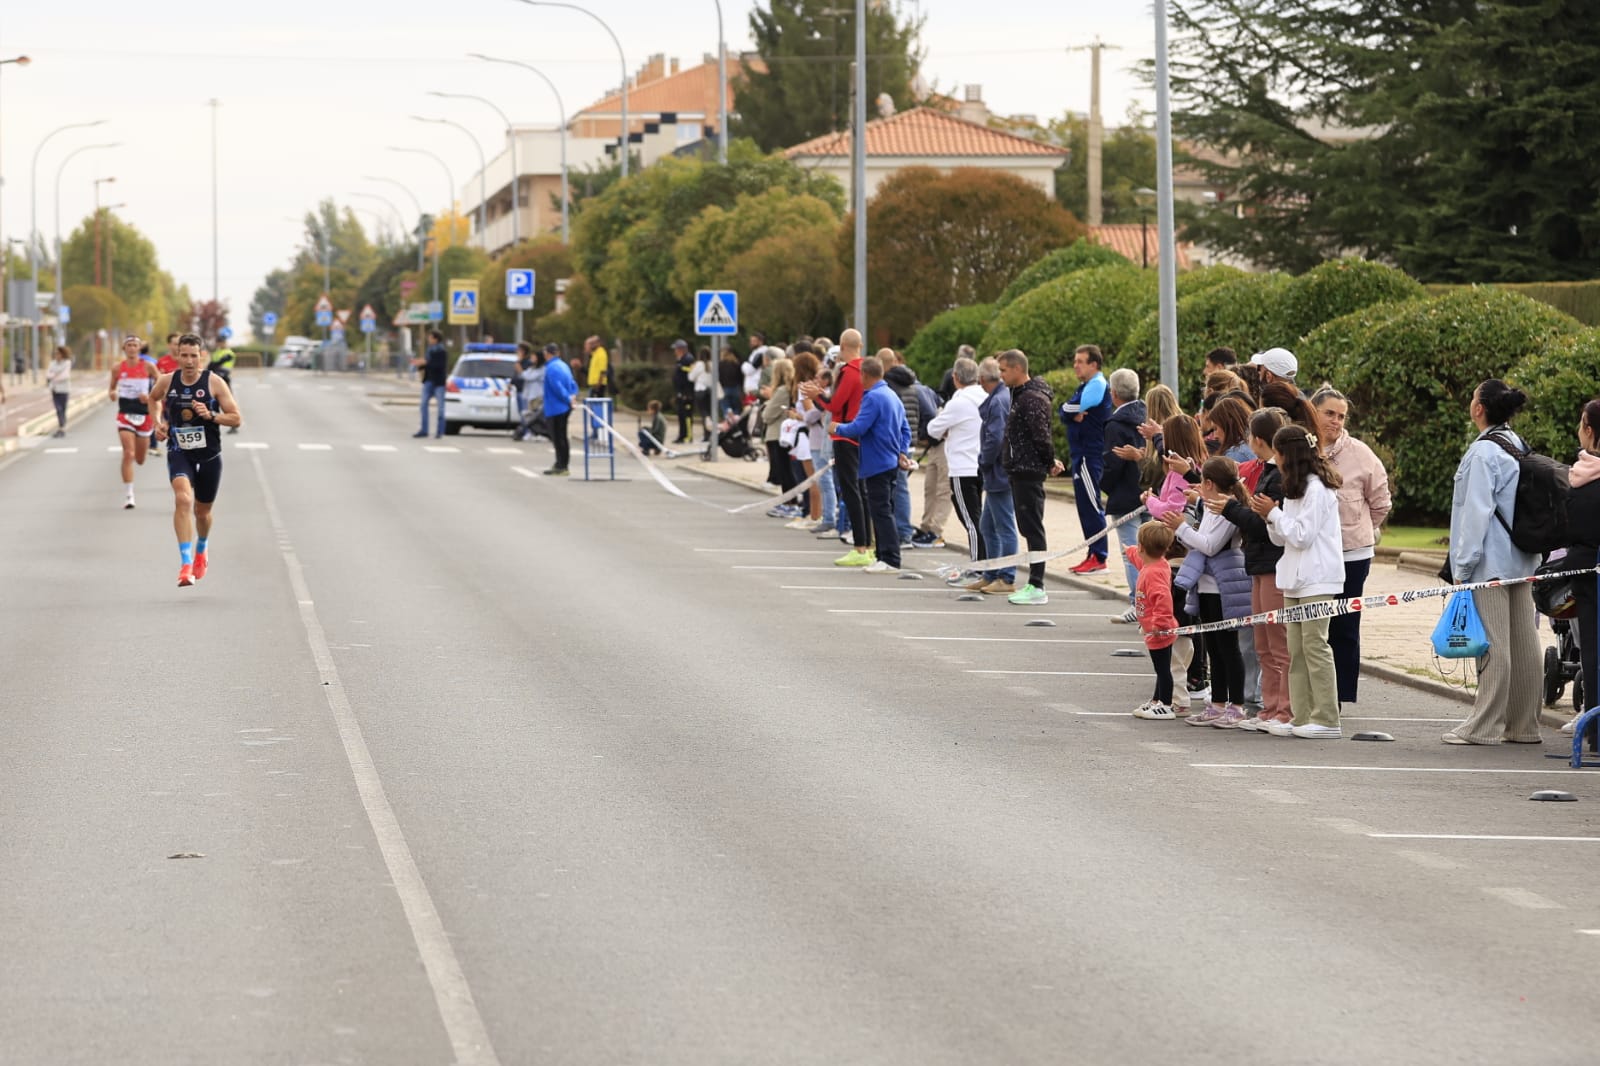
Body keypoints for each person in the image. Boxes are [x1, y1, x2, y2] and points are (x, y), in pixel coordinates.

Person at [1442, 380, 1542, 745]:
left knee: (1493, 643)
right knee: (1524, 641)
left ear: (1479, 408)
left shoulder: (1483, 452)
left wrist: (1462, 568)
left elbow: (1475, 515)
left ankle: (1484, 726)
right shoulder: (1517, 443)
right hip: (1522, 558)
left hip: (1490, 563)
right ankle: (1524, 725)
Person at [1253, 424, 1345, 739]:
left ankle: (1327, 718)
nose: (1274, 460)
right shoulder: (1295, 488)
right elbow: (1282, 539)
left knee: (1315, 646)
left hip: (1317, 579)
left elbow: (1303, 536)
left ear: (1287, 454)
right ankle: (1302, 715)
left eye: (1277, 453)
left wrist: (1274, 515)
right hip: (1294, 579)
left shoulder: (1317, 489)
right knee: (1296, 649)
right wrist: (1270, 517)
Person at [1311, 384, 1392, 709]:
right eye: (1329, 413)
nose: (1335, 421)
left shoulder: (1360, 454)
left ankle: (1340, 696)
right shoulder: (1301, 448)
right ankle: (1313, 693)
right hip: (1312, 553)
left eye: (1341, 416)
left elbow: (1381, 502)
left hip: (1352, 555)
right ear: (1313, 412)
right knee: (1314, 625)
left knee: (1344, 626)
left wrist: (1360, 530)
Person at [1164, 456, 1252, 728]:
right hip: (1206, 585)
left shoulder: (1228, 509)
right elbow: (1202, 541)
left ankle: (1237, 705)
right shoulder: (1212, 507)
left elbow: (1211, 545)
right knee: (1213, 647)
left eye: (1202, 481)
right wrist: (1186, 526)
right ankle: (1218, 703)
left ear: (1210, 483)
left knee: (1228, 647)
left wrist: (1181, 527)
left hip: (1222, 586)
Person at [149, 333, 242, 587]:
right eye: (184, 355)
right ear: (177, 356)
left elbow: (236, 418)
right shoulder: (167, 380)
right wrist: (157, 423)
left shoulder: (214, 382)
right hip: (179, 451)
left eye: (194, 356)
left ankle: (202, 547)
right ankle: (185, 564)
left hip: (209, 454)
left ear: (202, 356)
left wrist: (212, 415)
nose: (189, 361)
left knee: (203, 512)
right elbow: (153, 398)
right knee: (183, 499)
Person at [1225, 407, 1292, 732]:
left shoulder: (1278, 476)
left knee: (1278, 643)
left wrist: (1230, 508)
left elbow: (1264, 523)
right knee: (1263, 642)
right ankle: (1268, 707)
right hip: (1258, 562)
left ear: (1258, 439)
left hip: (1272, 563)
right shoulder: (1267, 471)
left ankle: (1285, 709)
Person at [832, 355, 912, 573]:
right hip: (890, 460)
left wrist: (837, 428)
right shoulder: (892, 395)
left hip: (877, 461)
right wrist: (902, 451)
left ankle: (890, 558)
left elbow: (859, 427)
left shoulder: (873, 397)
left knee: (881, 512)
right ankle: (883, 555)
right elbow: (905, 429)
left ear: (864, 375)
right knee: (884, 510)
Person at [998, 349, 1064, 605]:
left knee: (1033, 527)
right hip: (1018, 469)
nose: (1001, 375)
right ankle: (1034, 582)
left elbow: (1041, 436)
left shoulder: (1032, 398)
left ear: (1017, 369)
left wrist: (1049, 462)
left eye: (1004, 370)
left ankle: (1037, 584)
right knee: (1027, 527)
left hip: (1029, 470)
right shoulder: (1018, 395)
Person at [806, 329, 871, 565]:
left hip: (845, 436)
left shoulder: (848, 371)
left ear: (842, 347)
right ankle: (868, 545)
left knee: (851, 492)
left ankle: (860, 547)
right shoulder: (866, 369)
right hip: (862, 436)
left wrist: (817, 395)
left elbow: (834, 404)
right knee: (862, 492)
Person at [925, 356, 986, 580]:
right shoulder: (986, 396)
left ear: (955, 378)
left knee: (970, 519)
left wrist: (948, 430)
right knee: (979, 517)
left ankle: (979, 565)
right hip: (982, 464)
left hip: (962, 467)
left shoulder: (959, 401)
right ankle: (986, 562)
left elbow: (933, 428)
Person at [1564, 399, 1600, 739]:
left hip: (1586, 572)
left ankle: (1596, 730)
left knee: (1592, 649)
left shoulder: (1581, 478)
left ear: (1588, 430)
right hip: (1588, 572)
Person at [1060, 344, 1111, 574]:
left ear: (1094, 364)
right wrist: (1069, 412)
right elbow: (1065, 410)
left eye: (1080, 361)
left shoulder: (1097, 384)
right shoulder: (1084, 386)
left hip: (1089, 455)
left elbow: (1069, 408)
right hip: (1080, 455)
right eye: (1075, 361)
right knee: (1084, 507)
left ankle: (1099, 557)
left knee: (1091, 505)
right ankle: (1092, 553)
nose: (1075, 366)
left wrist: (1069, 411)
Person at [1102, 367, 1148, 620]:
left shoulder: (1115, 425)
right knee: (1150, 552)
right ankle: (1151, 601)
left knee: (1131, 552)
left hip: (1124, 494)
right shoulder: (1147, 416)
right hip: (1148, 492)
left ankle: (1137, 603)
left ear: (1114, 394)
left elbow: (1113, 463)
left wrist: (1105, 485)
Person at [1130, 520, 1180, 720]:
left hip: (1159, 630)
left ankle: (1166, 704)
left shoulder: (1153, 572)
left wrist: (1160, 623)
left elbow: (1163, 598)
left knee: (1163, 670)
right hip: (1152, 628)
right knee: (1161, 669)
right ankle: (1156, 700)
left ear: (1142, 547)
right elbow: (1139, 559)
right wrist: (1129, 551)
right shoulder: (1156, 564)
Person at [975, 357, 1017, 594]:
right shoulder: (1001, 398)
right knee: (988, 526)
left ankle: (1006, 577)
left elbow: (995, 438)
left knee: (1004, 526)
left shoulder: (998, 401)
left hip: (999, 474)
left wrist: (983, 461)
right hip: (997, 474)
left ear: (982, 379)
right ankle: (991, 573)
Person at [108, 335, 158, 509]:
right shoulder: (117, 368)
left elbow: (161, 386)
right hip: (125, 414)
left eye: (134, 345)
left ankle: (139, 458)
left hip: (144, 414)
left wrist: (150, 396)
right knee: (128, 453)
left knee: (140, 459)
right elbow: (111, 389)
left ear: (139, 348)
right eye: (128, 345)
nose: (131, 348)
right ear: (124, 348)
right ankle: (129, 495)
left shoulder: (148, 366)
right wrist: (112, 394)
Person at [761, 357, 799, 515]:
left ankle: (789, 503)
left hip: (778, 434)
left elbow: (767, 415)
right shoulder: (790, 390)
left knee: (785, 471)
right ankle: (790, 502)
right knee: (787, 470)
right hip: (786, 434)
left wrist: (768, 404)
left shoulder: (782, 391)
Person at [542, 342, 578, 476]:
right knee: (562, 436)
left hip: (555, 407)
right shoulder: (564, 366)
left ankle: (562, 465)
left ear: (547, 354)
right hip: (564, 407)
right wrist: (573, 396)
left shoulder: (551, 368)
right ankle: (560, 463)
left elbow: (557, 388)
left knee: (558, 437)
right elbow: (573, 384)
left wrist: (568, 399)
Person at [413, 329, 447, 438]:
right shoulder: (429, 350)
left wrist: (426, 363)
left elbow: (439, 366)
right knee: (423, 405)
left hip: (439, 383)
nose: (428, 339)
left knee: (441, 408)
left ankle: (440, 431)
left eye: (430, 337)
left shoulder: (442, 351)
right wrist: (419, 365)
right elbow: (427, 365)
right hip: (428, 381)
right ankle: (424, 430)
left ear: (436, 339)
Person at [671, 340, 694, 443]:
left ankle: (687, 436)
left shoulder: (688, 359)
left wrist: (686, 393)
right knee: (681, 415)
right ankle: (681, 435)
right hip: (680, 392)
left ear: (682, 349)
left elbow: (691, 372)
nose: (675, 351)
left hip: (686, 393)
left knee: (686, 415)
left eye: (676, 349)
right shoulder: (680, 359)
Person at [46, 346, 72, 438]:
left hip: (64, 390)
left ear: (62, 354)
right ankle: (61, 427)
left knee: (63, 409)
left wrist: (54, 376)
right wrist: (56, 375)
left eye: (58, 353)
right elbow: (48, 374)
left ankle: (62, 428)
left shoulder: (67, 363)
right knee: (58, 409)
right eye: (55, 353)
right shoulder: (52, 363)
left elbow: (65, 376)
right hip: (55, 389)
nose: (56, 355)